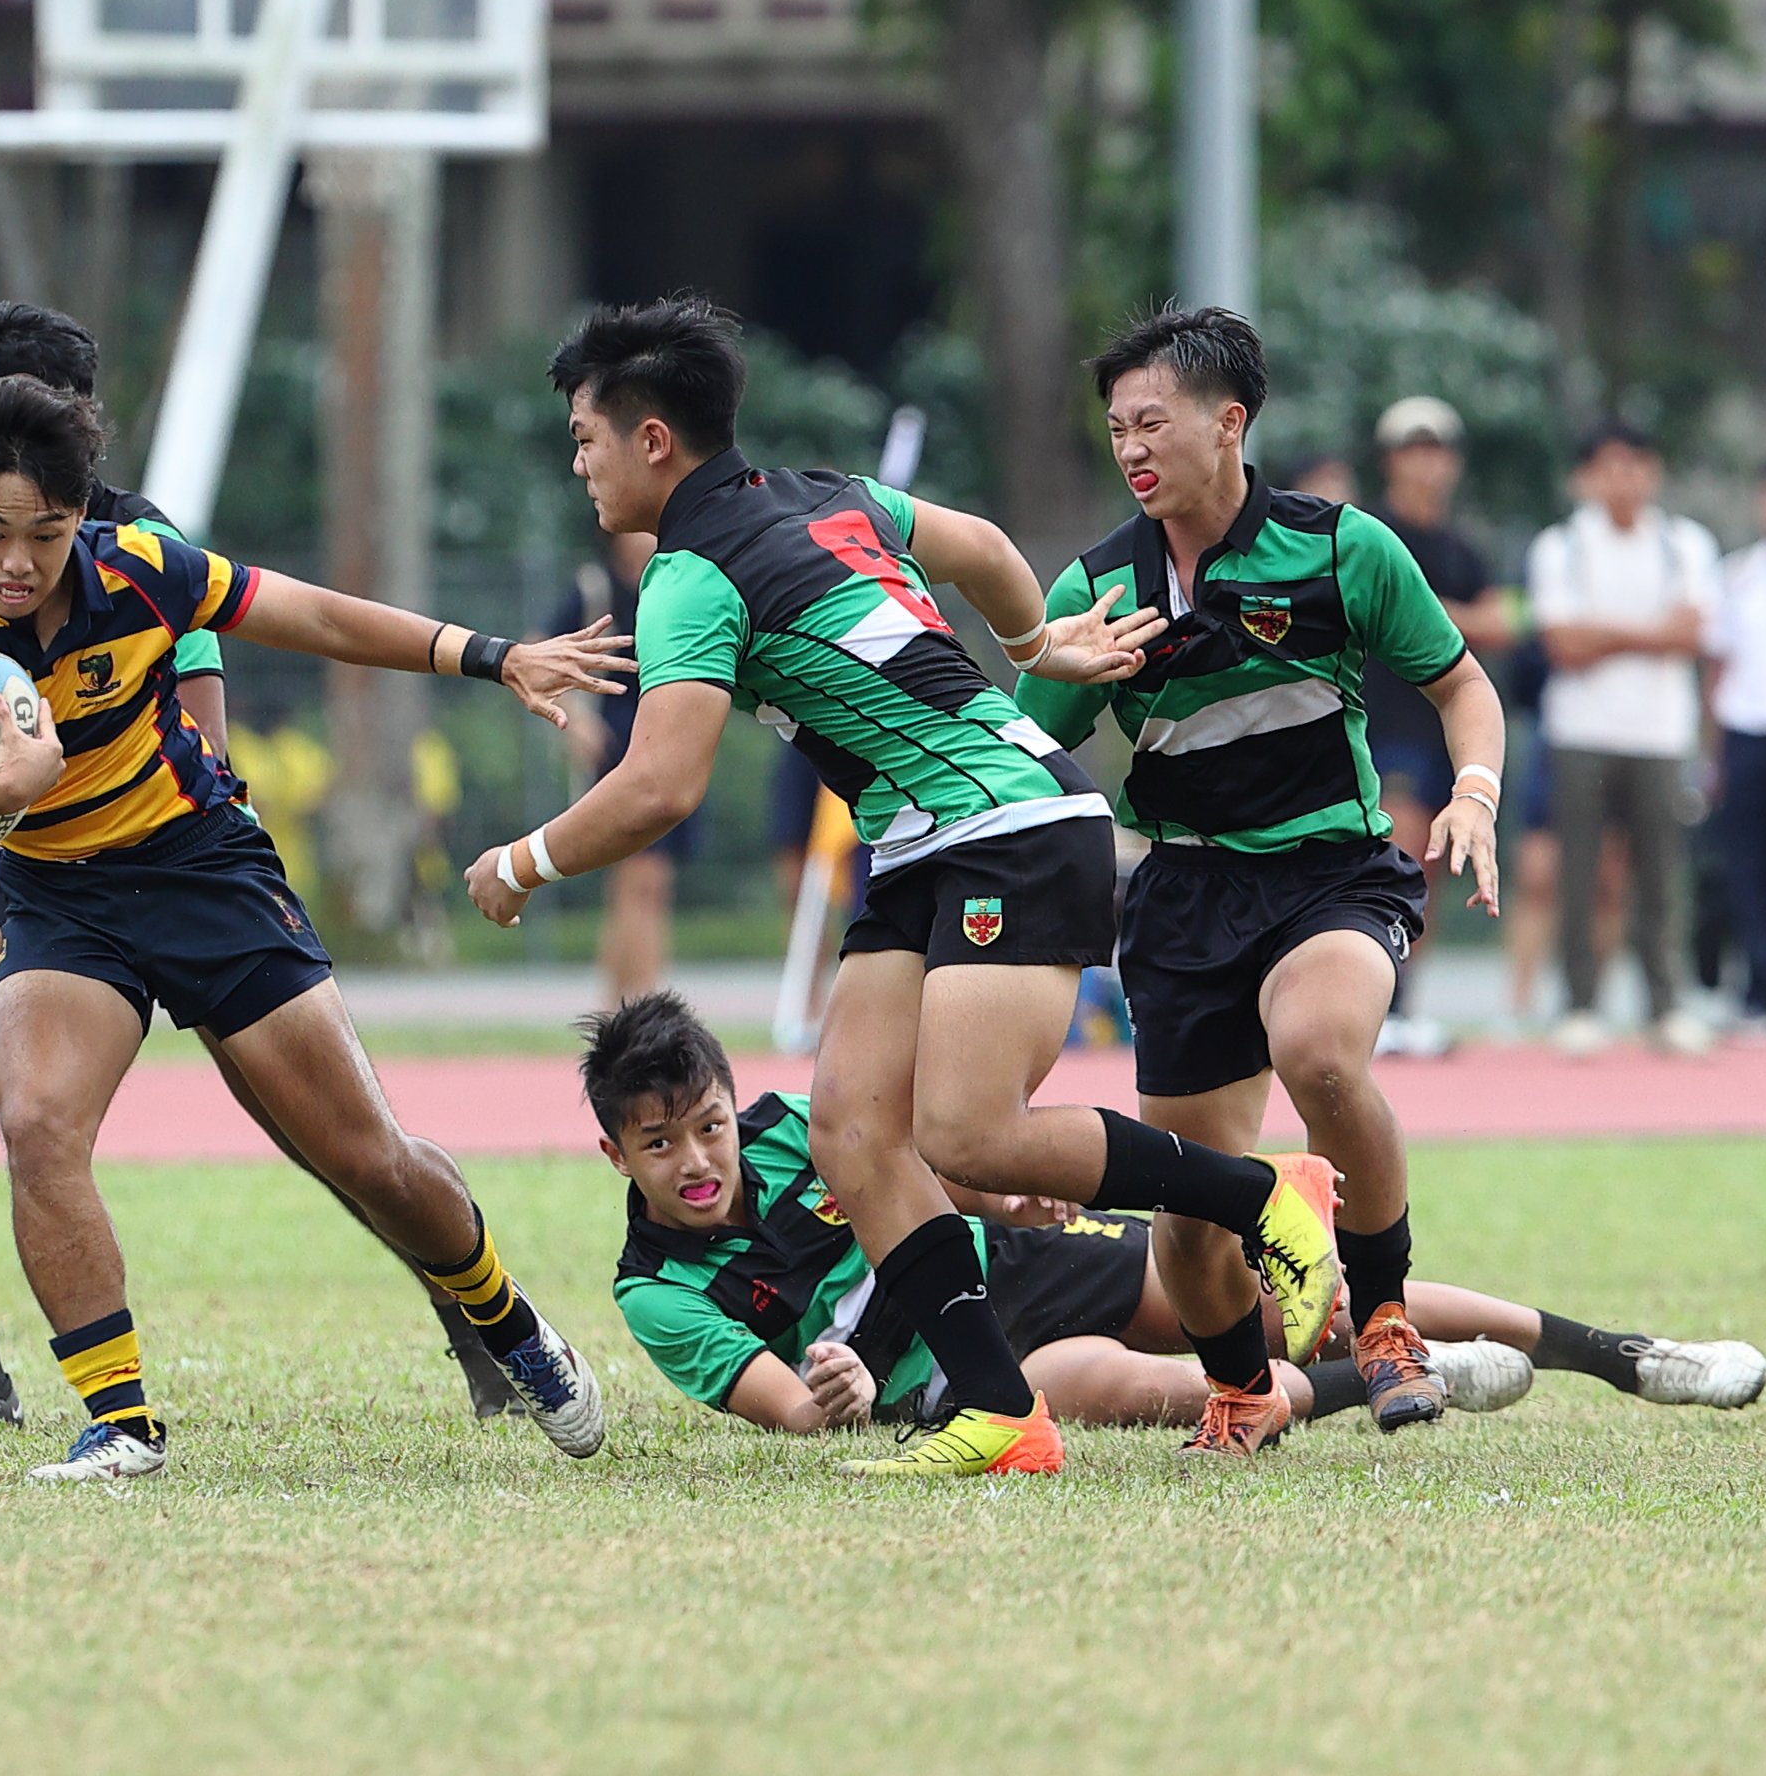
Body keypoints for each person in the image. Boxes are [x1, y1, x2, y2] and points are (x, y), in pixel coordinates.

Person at [463, 296, 1342, 1478]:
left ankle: (1261, 1192)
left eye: (585, 437)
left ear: (653, 439)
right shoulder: (825, 492)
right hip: (924, 839)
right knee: (849, 1135)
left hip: (1004, 825)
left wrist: (523, 862)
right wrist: (1036, 650)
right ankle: (1000, 1411)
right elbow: (976, 543)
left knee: (967, 1135)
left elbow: (661, 785)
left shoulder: (686, 575)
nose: (579, 464)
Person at [0, 375, 630, 1482]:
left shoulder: (143, 569)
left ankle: (512, 1327)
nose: (18, 561)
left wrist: (491, 656)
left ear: (80, 521)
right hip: (64, 899)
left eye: (46, 535)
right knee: (39, 1122)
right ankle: (121, 1423)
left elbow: (323, 618)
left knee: (367, 1158)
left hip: (203, 871)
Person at [1014, 308, 1506, 1460]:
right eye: (1115, 429)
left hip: (1332, 871)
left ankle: (1383, 1315)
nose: (1130, 449)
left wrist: (1474, 791)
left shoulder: (1342, 548)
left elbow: (1462, 686)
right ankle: (1242, 1387)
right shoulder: (1095, 585)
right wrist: (1052, 671)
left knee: (1321, 1051)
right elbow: (1019, 759)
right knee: (1188, 1220)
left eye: (1154, 423)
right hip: (1183, 899)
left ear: (1230, 423)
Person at [586, 991, 1766, 1433]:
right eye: (659, 1144)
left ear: (738, 1105)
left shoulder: (803, 1120)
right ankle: (1402, 1382)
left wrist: (999, 1189)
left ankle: (1618, 1356)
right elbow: (790, 1406)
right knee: (1112, 1384)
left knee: (1264, 1303)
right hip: (935, 1374)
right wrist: (832, 1392)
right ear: (613, 1153)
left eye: (710, 1126)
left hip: (1016, 1263)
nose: (697, 1159)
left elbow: (922, 1180)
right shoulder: (656, 1289)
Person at [1526, 423, 1718, 1057]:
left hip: (1661, 735)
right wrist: (1648, 634)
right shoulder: (1561, 546)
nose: (1623, 479)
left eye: (1635, 465)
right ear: (1586, 477)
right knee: (1578, 872)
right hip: (1582, 730)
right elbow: (1563, 645)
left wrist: (1605, 635)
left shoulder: (1685, 543)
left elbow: (1691, 637)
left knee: (1662, 876)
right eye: (1609, 467)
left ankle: (1666, 1005)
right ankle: (1580, 1005)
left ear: (1653, 472)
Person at [1364, 396, 1514, 1056]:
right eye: (1413, 450)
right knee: (1395, 850)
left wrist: (1425, 611)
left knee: (1429, 869)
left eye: (1438, 451)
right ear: (1391, 460)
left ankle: (1404, 1004)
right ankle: (1378, 1002)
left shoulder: (1463, 549)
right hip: (1382, 723)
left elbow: (1502, 625)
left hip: (1442, 729)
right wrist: (1453, 618)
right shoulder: (1371, 536)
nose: (1427, 464)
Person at [544, 529, 696, 1003]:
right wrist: (572, 718)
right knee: (641, 881)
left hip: (673, 735)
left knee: (646, 885)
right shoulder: (598, 587)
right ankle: (642, 1006)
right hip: (618, 742)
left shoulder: (676, 581)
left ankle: (620, 1007)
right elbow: (537, 649)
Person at [1702, 457, 1766, 1036]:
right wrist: (1711, 755)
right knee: (1750, 867)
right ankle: (1763, 991)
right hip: (1748, 739)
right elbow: (1720, 667)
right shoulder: (1740, 575)